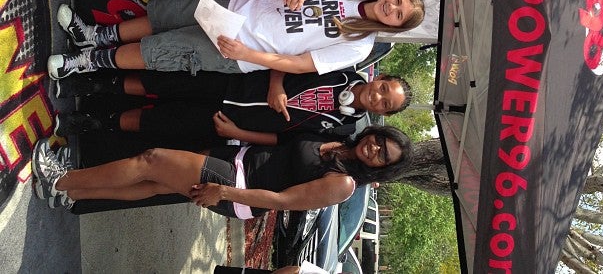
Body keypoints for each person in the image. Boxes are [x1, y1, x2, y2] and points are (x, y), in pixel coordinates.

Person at [46, 0, 425, 78]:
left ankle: (87, 63)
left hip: (240, 50)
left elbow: (299, 65)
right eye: (398, 0)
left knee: (158, 52)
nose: (392, 7)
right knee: (162, 17)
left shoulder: (360, 45)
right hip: (236, 6)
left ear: (394, 26)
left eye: (397, 15)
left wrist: (248, 54)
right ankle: (93, 36)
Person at [30, 125, 412, 214]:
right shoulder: (340, 140)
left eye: (383, 156)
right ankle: (74, 193)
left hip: (239, 188)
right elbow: (280, 142)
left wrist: (224, 192)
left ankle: (59, 179)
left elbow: (283, 201)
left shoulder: (344, 184)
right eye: (381, 141)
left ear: (380, 169)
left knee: (152, 160)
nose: (375, 149)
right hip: (236, 162)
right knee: (155, 183)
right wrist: (238, 136)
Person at [52, 67, 412, 144]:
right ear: (379, 78)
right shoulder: (340, 66)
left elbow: (285, 141)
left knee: (159, 121)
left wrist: (238, 132)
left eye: (385, 104)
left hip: (232, 121)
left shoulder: (344, 129)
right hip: (232, 81)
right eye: (384, 88)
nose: (378, 97)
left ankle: (96, 121)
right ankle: (93, 85)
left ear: (382, 113)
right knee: (161, 83)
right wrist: (276, 85)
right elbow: (286, 55)